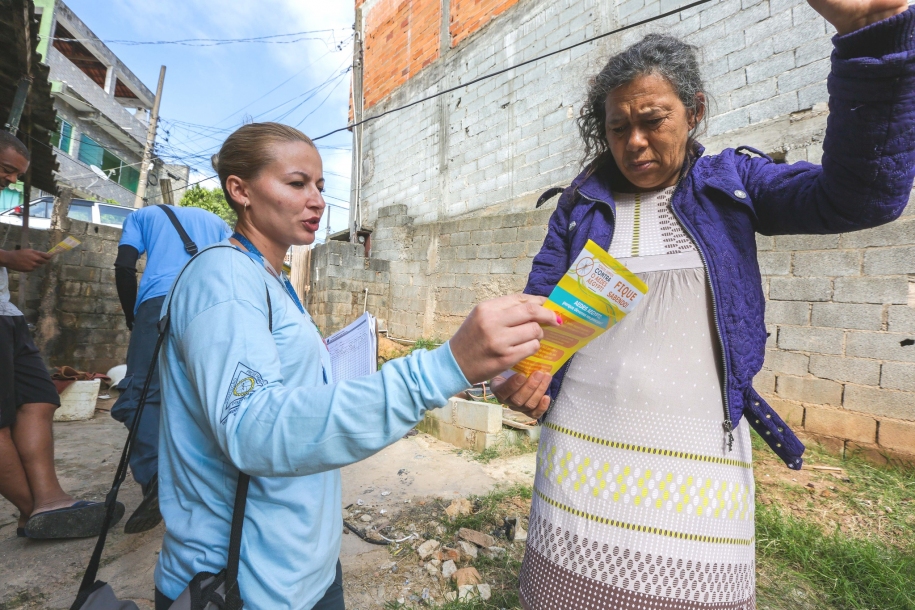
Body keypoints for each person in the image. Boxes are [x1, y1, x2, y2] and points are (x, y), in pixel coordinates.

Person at [493, 1, 915, 608]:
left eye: (653, 120)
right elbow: (540, 307)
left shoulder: (731, 185)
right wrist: (520, 372)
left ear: (693, 114)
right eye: (618, 127)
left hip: (694, 462)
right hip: (579, 458)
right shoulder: (580, 204)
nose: (635, 142)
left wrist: (869, 36)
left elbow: (862, 197)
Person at [152, 122, 557, 610]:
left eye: (320, 186)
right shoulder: (224, 278)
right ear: (239, 190)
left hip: (302, 567)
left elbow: (293, 400)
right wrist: (441, 367)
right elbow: (254, 430)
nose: (318, 200)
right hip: (244, 585)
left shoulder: (271, 279)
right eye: (297, 183)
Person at [0, 131, 124, 540]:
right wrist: (6, 256)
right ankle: (34, 510)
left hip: (7, 315)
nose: (9, 180)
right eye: (6, 169)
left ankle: (51, 501)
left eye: (15, 174)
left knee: (40, 398)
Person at [112, 202, 231, 534]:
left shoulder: (141, 216)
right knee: (203, 390)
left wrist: (130, 315)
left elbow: (124, 265)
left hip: (160, 300)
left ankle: (155, 476)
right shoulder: (217, 221)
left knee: (139, 392)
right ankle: (211, 478)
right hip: (213, 302)